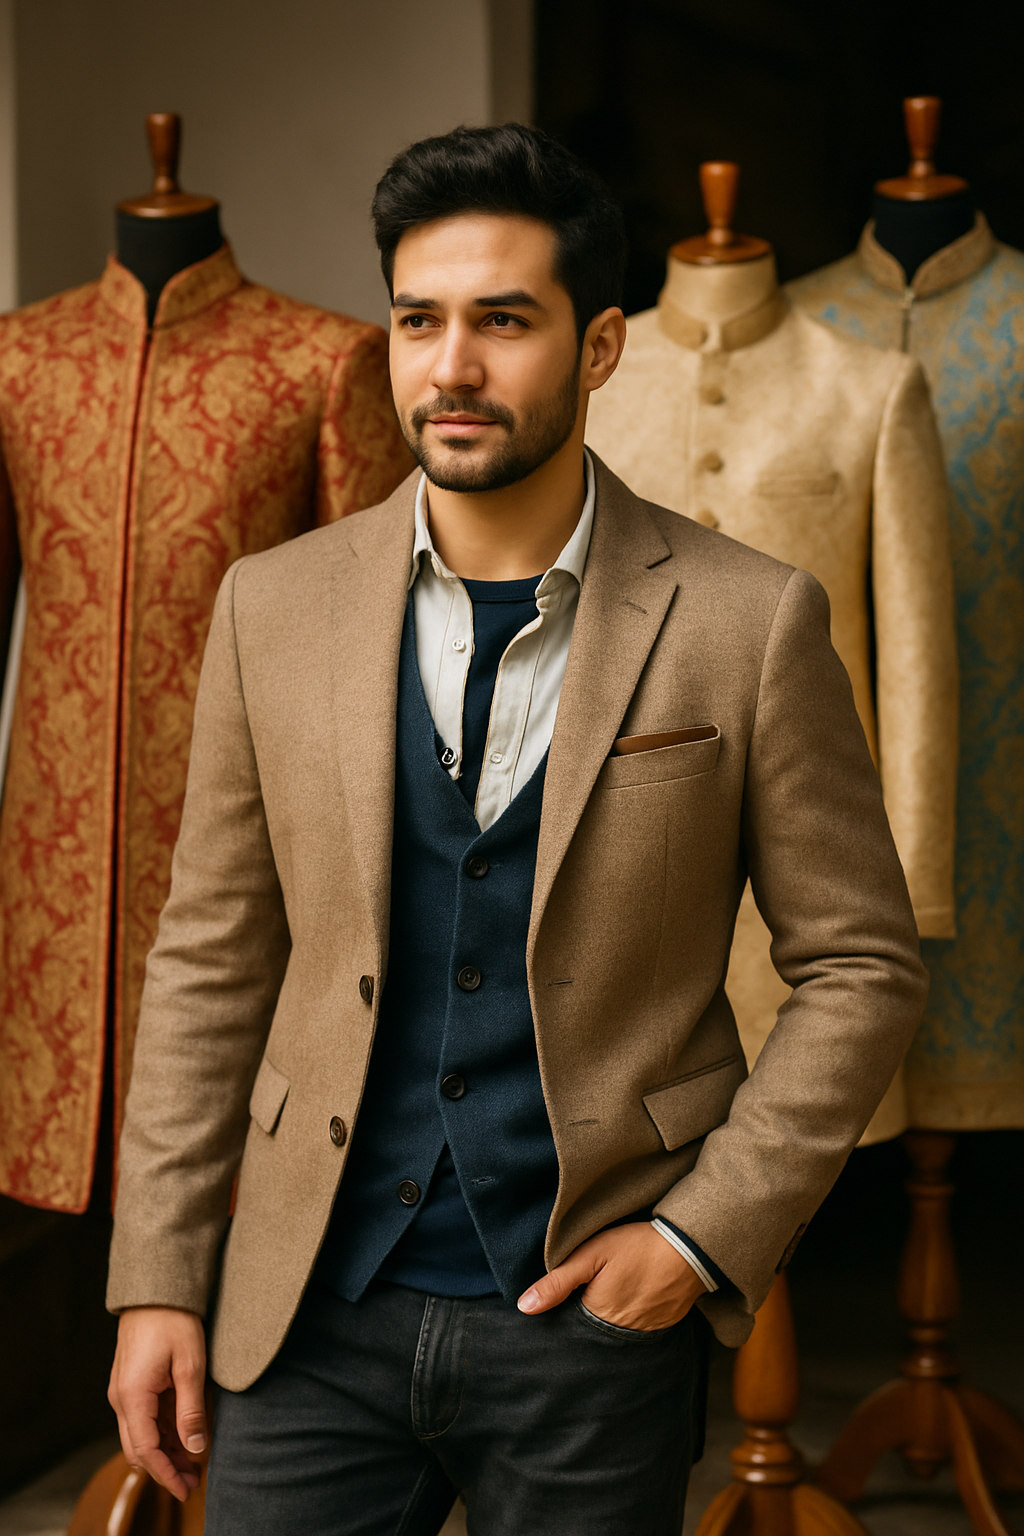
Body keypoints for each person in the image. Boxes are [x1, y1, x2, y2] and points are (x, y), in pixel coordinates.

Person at [106, 124, 927, 1536]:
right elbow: (208, 962)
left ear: (601, 347)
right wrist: (159, 1278)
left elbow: (862, 967)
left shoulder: (746, 621)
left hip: (587, 1326)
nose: (452, 368)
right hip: (307, 1309)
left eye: (504, 322)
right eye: (418, 320)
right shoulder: (274, 606)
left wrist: (696, 1237)